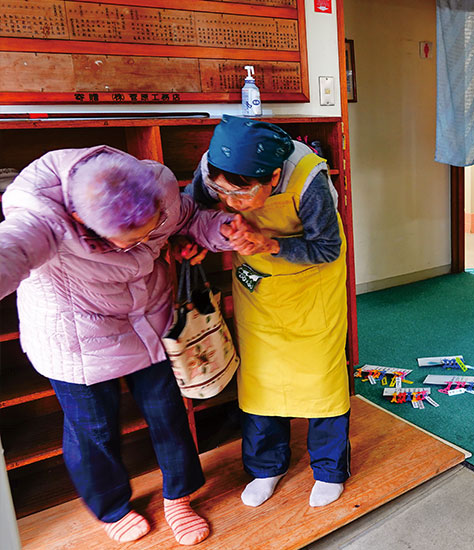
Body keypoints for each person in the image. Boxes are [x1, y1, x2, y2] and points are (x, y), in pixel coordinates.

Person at [0, 146, 238, 544]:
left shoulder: (156, 187)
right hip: (74, 337)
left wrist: (221, 230)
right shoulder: (40, 216)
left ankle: (179, 496)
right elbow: (12, 249)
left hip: (149, 318)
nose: (149, 241)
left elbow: (192, 218)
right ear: (80, 221)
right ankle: (111, 507)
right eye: (133, 241)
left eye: (153, 229)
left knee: (169, 415)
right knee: (92, 429)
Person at [186, 115, 350, 509]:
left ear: (274, 177)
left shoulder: (309, 177)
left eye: (241, 196)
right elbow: (196, 212)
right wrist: (209, 235)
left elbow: (327, 247)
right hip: (257, 287)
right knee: (260, 377)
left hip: (312, 285)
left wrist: (271, 244)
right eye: (222, 191)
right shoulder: (214, 168)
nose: (230, 202)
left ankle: (329, 469)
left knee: (320, 381)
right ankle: (266, 466)